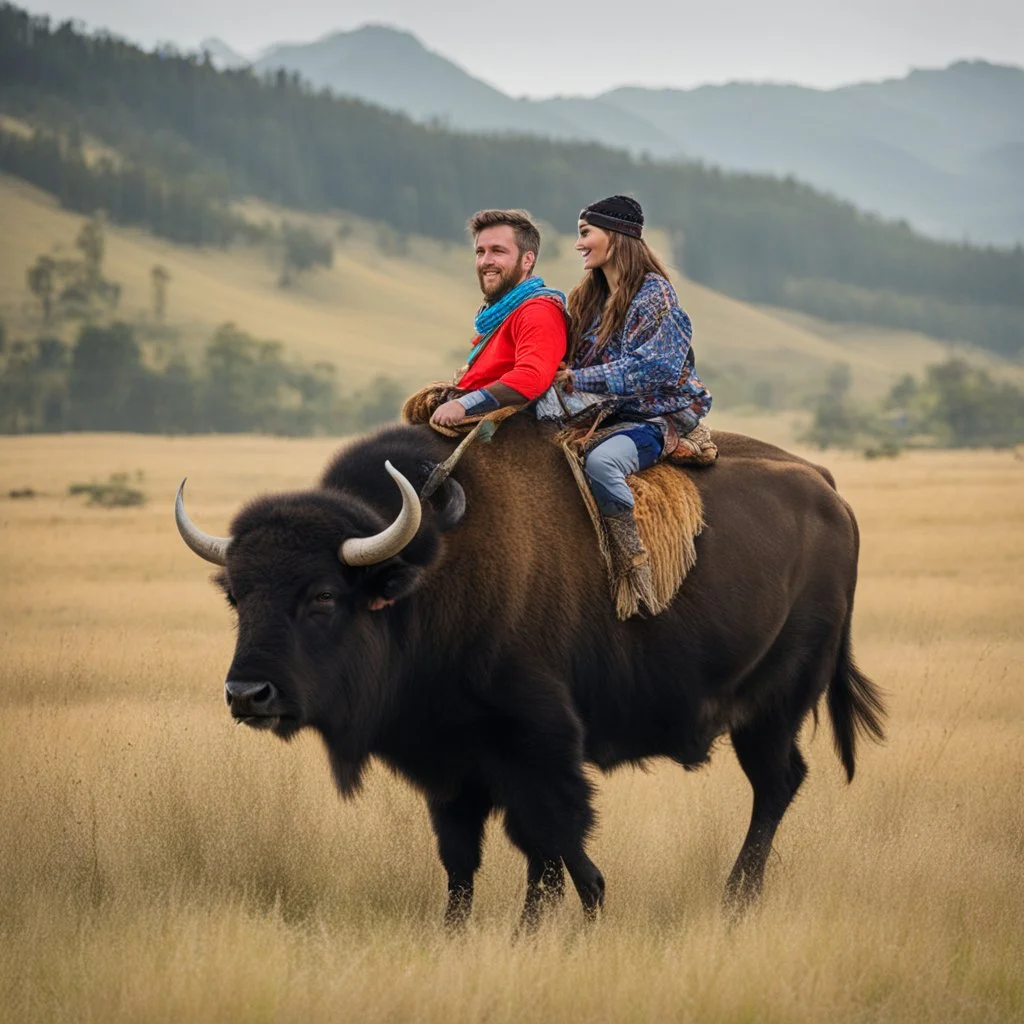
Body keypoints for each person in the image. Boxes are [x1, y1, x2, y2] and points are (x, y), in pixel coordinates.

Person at [557, 194, 712, 611]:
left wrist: (578, 378)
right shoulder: (587, 299)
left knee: (602, 464)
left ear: (617, 236)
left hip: (654, 414)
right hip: (604, 409)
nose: (578, 244)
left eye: (586, 233)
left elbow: (654, 369)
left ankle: (634, 564)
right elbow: (567, 358)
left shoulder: (655, 295)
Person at [431, 209, 567, 428]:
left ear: (527, 259)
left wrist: (463, 404)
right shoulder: (502, 314)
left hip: (504, 433)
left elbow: (532, 377)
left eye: (498, 251)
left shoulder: (539, 310)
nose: (486, 261)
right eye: (480, 252)